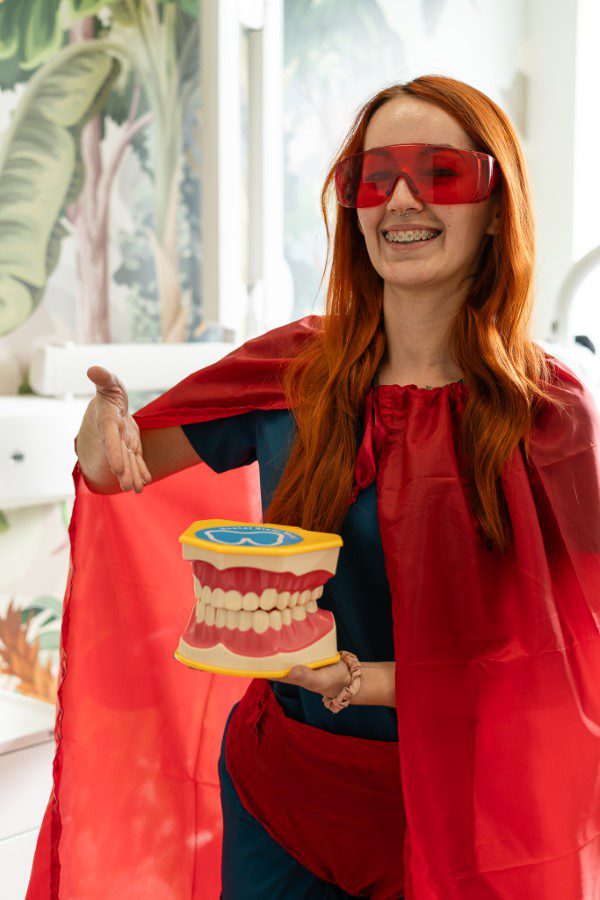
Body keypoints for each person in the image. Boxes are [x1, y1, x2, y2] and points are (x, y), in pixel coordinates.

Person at [28, 75, 600, 899]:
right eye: (374, 176)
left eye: (439, 172)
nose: (400, 198)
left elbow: (569, 659)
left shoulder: (548, 413)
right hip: (284, 799)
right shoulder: (292, 370)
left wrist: (361, 680)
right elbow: (119, 468)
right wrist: (98, 434)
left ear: (496, 205)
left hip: (473, 806)